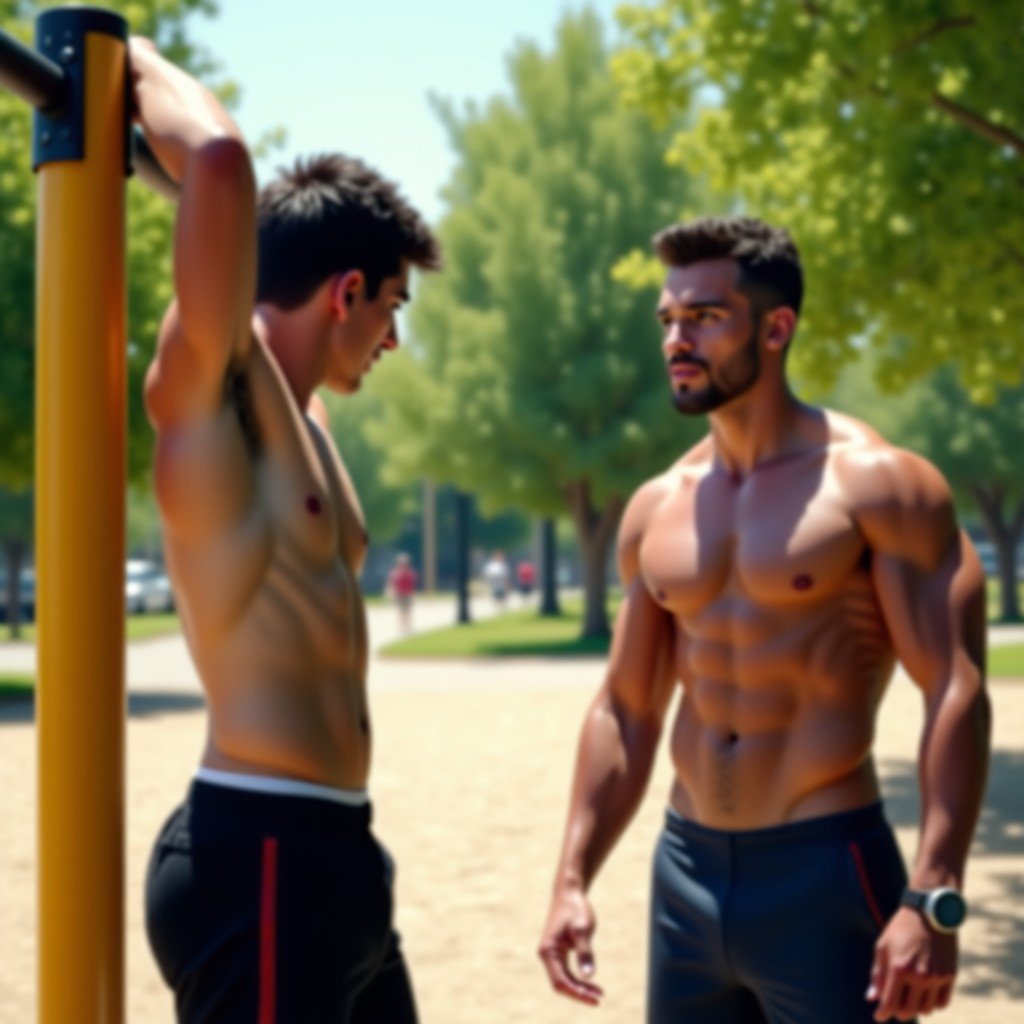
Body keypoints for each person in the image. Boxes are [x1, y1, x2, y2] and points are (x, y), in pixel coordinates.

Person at [538, 216, 990, 1024]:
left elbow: (954, 687)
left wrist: (933, 891)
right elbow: (626, 708)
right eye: (668, 321)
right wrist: (572, 875)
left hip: (823, 871)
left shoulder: (877, 486)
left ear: (776, 328)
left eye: (705, 317)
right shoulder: (657, 508)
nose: (678, 340)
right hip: (686, 875)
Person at [130, 39, 441, 1023]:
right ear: (347, 291)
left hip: (339, 853)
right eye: (391, 306)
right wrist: (125, 52)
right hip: (254, 856)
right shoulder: (217, 390)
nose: (393, 339)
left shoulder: (306, 417)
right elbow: (218, 168)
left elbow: (232, 231)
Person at [386, 553, 418, 635]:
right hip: (399, 594)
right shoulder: (395, 573)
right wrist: (391, 592)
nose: (403, 565)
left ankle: (408, 627)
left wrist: (413, 595)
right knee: (400, 611)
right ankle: (401, 627)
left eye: (404, 563)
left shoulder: (410, 573)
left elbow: (412, 585)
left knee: (407, 611)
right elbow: (392, 583)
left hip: (407, 594)